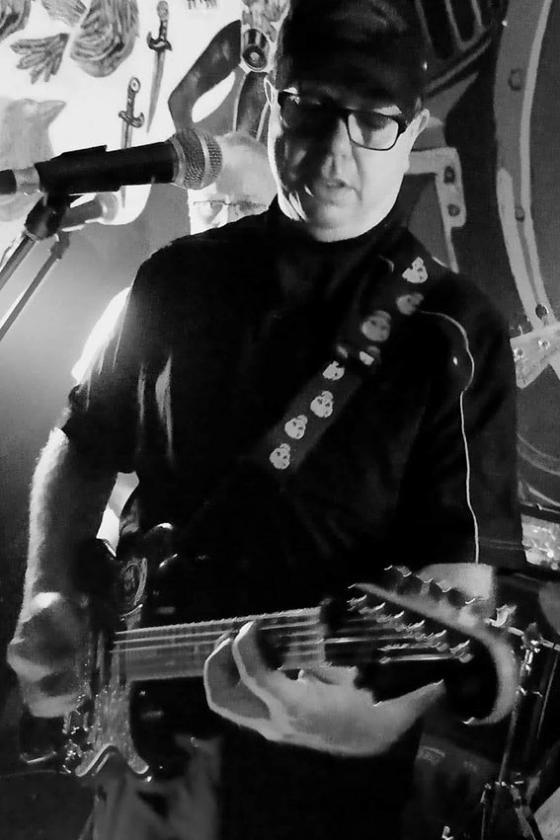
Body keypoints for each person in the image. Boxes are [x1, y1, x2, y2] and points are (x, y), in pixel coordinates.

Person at [7, 0, 526, 838]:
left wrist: (348, 726)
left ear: (412, 131)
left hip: (316, 799)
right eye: (310, 108)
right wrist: (50, 589)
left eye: (373, 121)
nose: (334, 150)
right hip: (142, 778)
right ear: (275, 104)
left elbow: (454, 604)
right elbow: (81, 444)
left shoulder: (455, 336)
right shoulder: (175, 280)